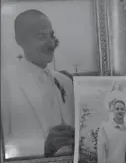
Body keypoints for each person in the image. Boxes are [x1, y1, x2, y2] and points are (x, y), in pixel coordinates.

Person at [1, 9, 74, 158]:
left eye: (51, 36)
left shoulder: (65, 81)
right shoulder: (5, 82)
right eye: (41, 36)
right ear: (20, 40)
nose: (51, 43)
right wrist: (43, 146)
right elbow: (4, 147)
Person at [97, 83, 126, 163]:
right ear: (112, 111)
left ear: (125, 111)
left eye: (122, 109)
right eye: (117, 109)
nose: (120, 111)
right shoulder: (105, 128)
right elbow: (101, 152)